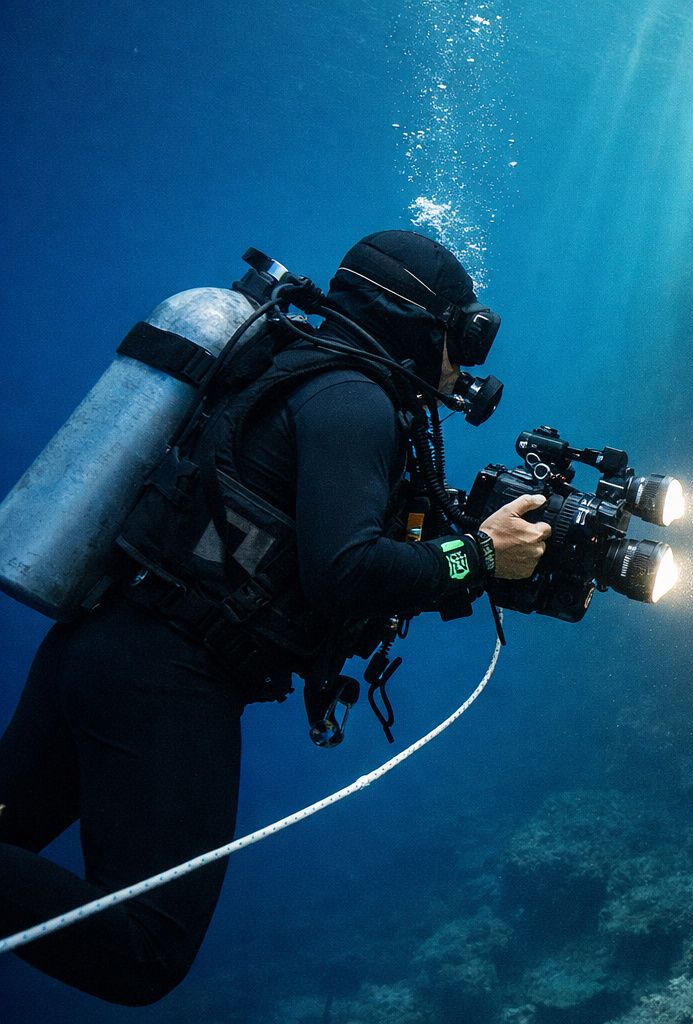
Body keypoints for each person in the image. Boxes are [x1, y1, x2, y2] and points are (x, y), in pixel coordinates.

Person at [0, 231, 550, 1005]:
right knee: (145, 948)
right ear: (422, 323)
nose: (466, 369)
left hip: (101, 639)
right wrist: (481, 557)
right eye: (465, 339)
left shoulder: (299, 369)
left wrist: (456, 550)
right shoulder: (355, 399)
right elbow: (345, 571)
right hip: (169, 672)